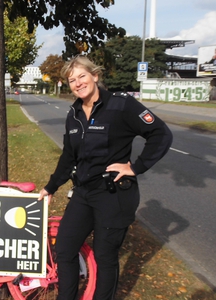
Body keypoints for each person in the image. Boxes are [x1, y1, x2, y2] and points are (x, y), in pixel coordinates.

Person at [37, 55, 173, 300]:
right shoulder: (74, 113)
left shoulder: (121, 105)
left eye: (82, 76)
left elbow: (161, 134)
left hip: (114, 194)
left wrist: (136, 167)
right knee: (65, 249)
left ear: (95, 76)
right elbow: (69, 156)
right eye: (72, 80)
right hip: (83, 191)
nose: (78, 83)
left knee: (104, 256)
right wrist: (51, 186)